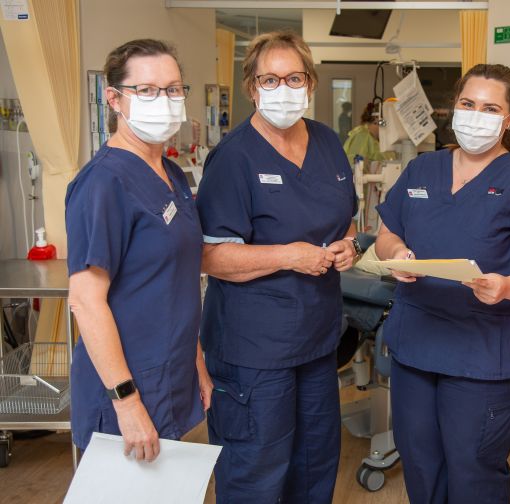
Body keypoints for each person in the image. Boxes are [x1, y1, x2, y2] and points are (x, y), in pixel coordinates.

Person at [375, 63, 510, 504]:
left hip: (485, 353)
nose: (475, 114)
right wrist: (397, 256)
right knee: (420, 463)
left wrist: (507, 286)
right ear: (454, 107)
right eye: (468, 104)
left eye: (490, 107)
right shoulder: (422, 170)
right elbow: (388, 233)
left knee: (472, 473)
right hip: (417, 346)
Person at [196, 30, 359, 504]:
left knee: (314, 466)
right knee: (257, 473)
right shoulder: (234, 157)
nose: (283, 89)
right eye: (270, 79)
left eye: (294, 77)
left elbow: (345, 217)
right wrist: (289, 254)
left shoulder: (327, 143)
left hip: (316, 341)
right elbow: (212, 255)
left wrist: (347, 244)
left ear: (310, 82)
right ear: (252, 86)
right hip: (253, 351)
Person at [66, 39, 212, 460]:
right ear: (114, 98)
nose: (163, 101)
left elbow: (177, 280)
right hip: (125, 387)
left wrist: (196, 362)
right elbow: (86, 302)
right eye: (146, 91)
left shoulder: (171, 173)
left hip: (169, 372)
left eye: (172, 89)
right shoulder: (102, 183)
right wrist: (127, 402)